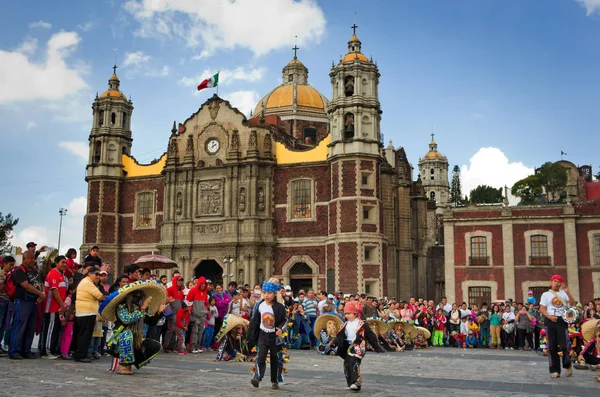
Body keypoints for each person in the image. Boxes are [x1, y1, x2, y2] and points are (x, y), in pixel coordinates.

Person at [100, 280, 166, 374]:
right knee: (127, 334)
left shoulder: (140, 309)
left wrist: (159, 312)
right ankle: (123, 366)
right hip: (118, 341)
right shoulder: (121, 307)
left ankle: (133, 363)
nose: (138, 299)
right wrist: (142, 308)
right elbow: (127, 319)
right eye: (135, 296)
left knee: (154, 345)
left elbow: (150, 321)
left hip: (135, 339)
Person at [331, 300, 385, 391]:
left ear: (355, 313)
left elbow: (370, 336)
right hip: (348, 347)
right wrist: (333, 343)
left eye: (349, 313)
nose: (347, 315)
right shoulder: (346, 324)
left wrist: (377, 347)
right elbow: (340, 336)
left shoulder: (362, 324)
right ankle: (351, 383)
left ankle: (356, 382)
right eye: (346, 313)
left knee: (354, 362)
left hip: (358, 347)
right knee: (347, 364)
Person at [248, 278, 288, 390]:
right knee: (260, 356)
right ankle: (257, 377)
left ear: (275, 294)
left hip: (275, 337)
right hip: (263, 335)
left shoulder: (279, 307)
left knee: (275, 358)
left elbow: (284, 320)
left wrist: (280, 329)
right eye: (264, 293)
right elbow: (255, 320)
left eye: (269, 293)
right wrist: (252, 333)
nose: (266, 295)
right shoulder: (260, 305)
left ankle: (274, 380)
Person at [9, 251, 45, 359]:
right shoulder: (19, 270)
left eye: (34, 258)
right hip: (22, 301)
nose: (33, 260)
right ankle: (15, 351)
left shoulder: (34, 270)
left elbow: (41, 282)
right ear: (25, 258)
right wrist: (39, 294)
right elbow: (26, 285)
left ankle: (26, 350)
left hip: (33, 302)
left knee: (30, 327)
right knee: (20, 326)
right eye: (31, 258)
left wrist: (42, 294)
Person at [539, 274, 576, 379]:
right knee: (552, 346)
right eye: (554, 281)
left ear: (561, 283)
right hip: (550, 321)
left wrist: (568, 292)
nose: (556, 283)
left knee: (564, 346)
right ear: (551, 283)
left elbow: (573, 304)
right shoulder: (546, 294)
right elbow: (542, 309)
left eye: (558, 281)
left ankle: (567, 365)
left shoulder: (564, 293)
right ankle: (555, 370)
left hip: (561, 320)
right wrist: (549, 316)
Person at [74, 267, 105, 362]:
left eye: (99, 275)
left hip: (84, 312)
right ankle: (81, 356)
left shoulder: (86, 282)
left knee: (83, 335)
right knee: (85, 335)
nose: (98, 277)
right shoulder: (88, 283)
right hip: (86, 313)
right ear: (89, 274)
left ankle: (81, 354)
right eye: (96, 274)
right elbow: (99, 296)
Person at [39, 255, 67, 358]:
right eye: (62, 262)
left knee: (54, 329)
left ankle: (50, 349)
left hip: (56, 307)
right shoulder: (54, 273)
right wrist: (62, 305)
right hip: (51, 307)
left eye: (65, 263)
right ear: (56, 263)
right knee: (49, 329)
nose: (64, 264)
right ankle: (46, 351)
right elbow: (54, 291)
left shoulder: (60, 275)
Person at [187, 276, 208, 354]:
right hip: (195, 314)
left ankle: (198, 346)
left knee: (200, 331)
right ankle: (192, 347)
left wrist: (206, 312)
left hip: (202, 315)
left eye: (204, 283)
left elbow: (206, 303)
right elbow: (188, 301)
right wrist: (191, 311)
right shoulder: (193, 291)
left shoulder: (205, 293)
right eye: (201, 283)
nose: (203, 285)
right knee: (194, 331)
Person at [163, 274, 184, 352]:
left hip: (178, 313)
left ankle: (171, 345)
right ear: (175, 281)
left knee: (175, 330)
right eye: (179, 280)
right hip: (172, 313)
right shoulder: (170, 289)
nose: (180, 282)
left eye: (182, 280)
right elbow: (166, 300)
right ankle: (166, 346)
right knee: (171, 329)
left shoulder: (181, 291)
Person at [0, 255, 15, 354]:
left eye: (13, 265)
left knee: (4, 326)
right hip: (1, 301)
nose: (11, 267)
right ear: (4, 264)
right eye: (10, 265)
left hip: (7, 301)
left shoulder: (9, 275)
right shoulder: (2, 275)